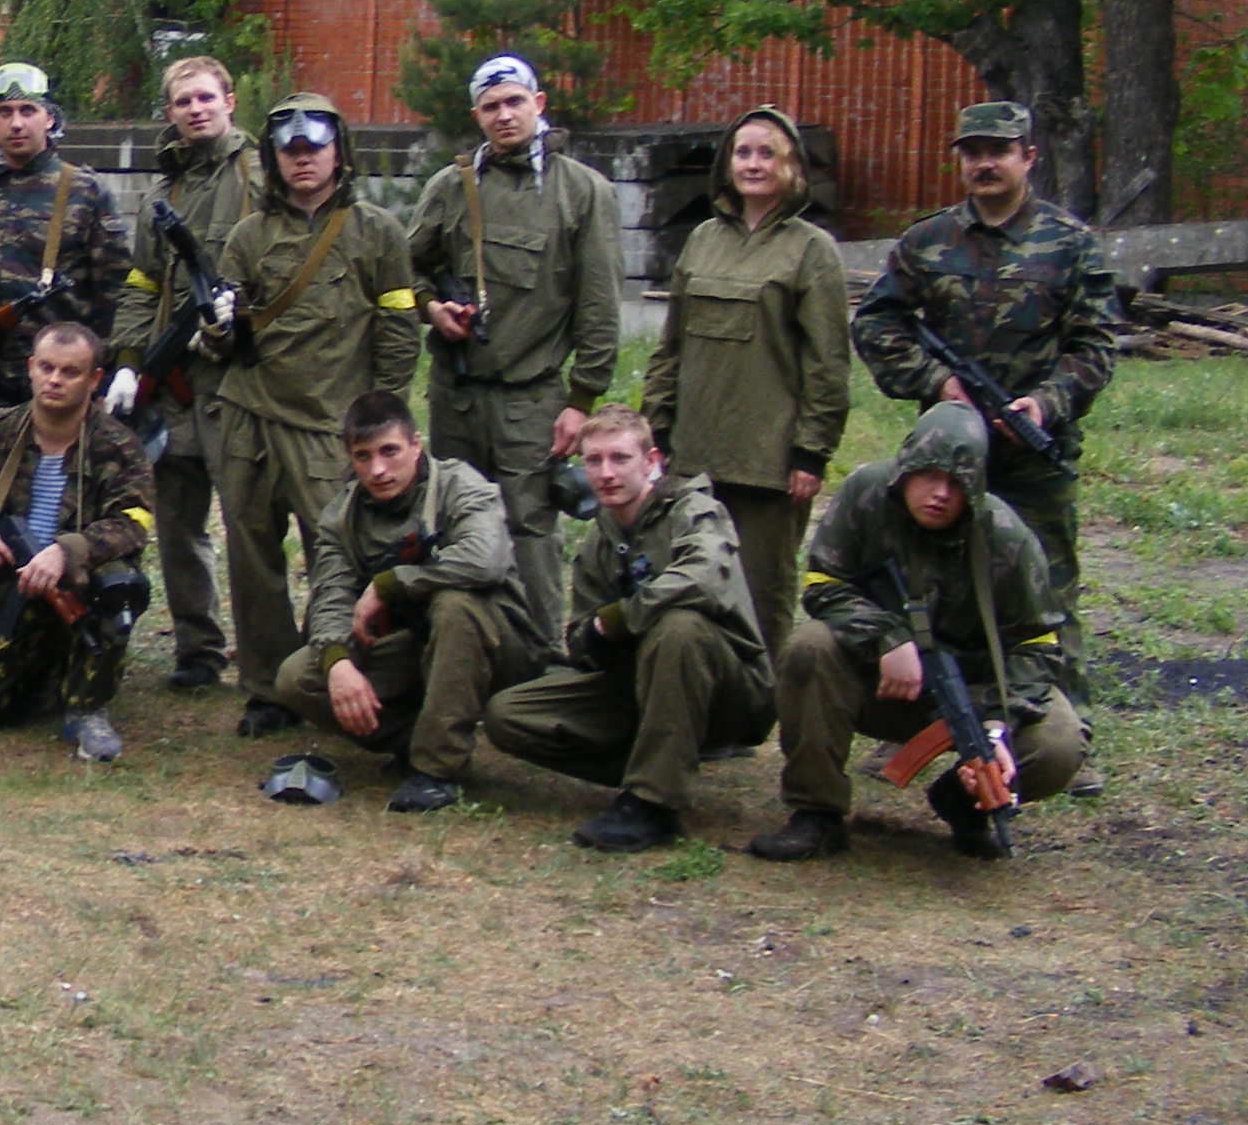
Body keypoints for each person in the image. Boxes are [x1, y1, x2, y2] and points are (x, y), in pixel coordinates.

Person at [850, 101, 1117, 754]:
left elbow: (1096, 347)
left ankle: (1065, 729)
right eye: (972, 152)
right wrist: (937, 383)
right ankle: (922, 719)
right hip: (945, 455)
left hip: (1031, 455)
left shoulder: (1070, 243)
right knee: (932, 586)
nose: (985, 163)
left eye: (999, 151)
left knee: (1047, 586)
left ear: (1029, 156)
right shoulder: (927, 242)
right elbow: (876, 324)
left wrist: (1045, 404)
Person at [748, 402, 1084, 862]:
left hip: (975, 689)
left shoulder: (1007, 537)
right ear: (904, 470)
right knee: (810, 647)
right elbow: (824, 584)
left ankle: (963, 801)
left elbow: (1038, 642)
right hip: (881, 680)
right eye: (928, 476)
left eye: (957, 483)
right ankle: (816, 812)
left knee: (1059, 743)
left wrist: (997, 726)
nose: (940, 494)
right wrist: (887, 638)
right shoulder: (866, 495)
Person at [196, 91, 423, 732]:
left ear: (338, 153)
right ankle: (269, 687)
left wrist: (381, 415)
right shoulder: (249, 235)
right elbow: (222, 341)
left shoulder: (376, 231)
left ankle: (339, 674)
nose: (302, 159)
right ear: (273, 158)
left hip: (330, 423)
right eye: (289, 150)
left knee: (337, 556)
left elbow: (399, 327)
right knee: (252, 557)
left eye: (314, 148)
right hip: (250, 417)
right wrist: (217, 325)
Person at [483, 405, 773, 850]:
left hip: (729, 689)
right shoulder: (601, 537)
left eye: (620, 458)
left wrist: (623, 618)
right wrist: (595, 640)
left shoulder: (694, 509)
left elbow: (703, 577)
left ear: (651, 461)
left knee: (678, 626)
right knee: (509, 715)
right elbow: (583, 636)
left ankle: (653, 802)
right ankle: (661, 761)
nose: (606, 473)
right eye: (593, 461)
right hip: (638, 681)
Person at [404, 54, 623, 640]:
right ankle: (462, 645)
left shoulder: (581, 192)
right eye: (491, 107)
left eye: (515, 102)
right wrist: (431, 307)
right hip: (456, 392)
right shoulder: (451, 187)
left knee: (530, 529)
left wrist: (581, 401)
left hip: (532, 397)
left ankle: (541, 653)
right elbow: (405, 266)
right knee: (454, 522)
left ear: (539, 104)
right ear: (476, 116)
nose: (504, 115)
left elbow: (599, 305)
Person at [278, 388, 544, 810]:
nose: (378, 469)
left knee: (454, 606)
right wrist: (337, 661)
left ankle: (438, 769)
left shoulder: (460, 485)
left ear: (416, 445)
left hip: (497, 646)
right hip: (412, 647)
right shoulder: (341, 518)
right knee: (298, 677)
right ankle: (422, 737)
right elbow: (330, 595)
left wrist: (391, 584)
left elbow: (485, 560)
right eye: (363, 456)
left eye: (390, 451)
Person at [643, 106, 848, 650]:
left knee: (760, 597)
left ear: (792, 167)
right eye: (742, 153)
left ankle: (761, 695)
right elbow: (670, 347)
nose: (752, 164)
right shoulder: (702, 240)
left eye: (766, 154)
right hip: (693, 456)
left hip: (768, 466)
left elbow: (828, 363)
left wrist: (811, 452)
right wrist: (656, 428)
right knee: (686, 588)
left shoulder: (812, 250)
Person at [0, 321, 154, 761]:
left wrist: (66, 552)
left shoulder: (118, 446)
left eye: (70, 372)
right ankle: (33, 673)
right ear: (30, 368)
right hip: (4, 596)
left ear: (95, 379)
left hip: (79, 595)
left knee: (120, 581)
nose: (55, 380)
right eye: (46, 368)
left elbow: (133, 522)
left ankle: (87, 705)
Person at [107, 60, 263, 691]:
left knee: (249, 524)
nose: (195, 110)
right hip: (173, 381)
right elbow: (142, 283)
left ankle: (266, 657)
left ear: (229, 100)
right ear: (169, 112)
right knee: (176, 523)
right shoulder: (163, 192)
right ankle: (199, 650)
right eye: (182, 101)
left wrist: (238, 314)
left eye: (205, 98)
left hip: (240, 380)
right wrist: (127, 362)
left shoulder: (260, 176)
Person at [0, 62, 130, 422]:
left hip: (59, 386)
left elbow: (114, 292)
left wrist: (104, 373)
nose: (16, 124)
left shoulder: (84, 191)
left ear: (49, 118)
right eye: (4, 112)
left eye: (27, 111)